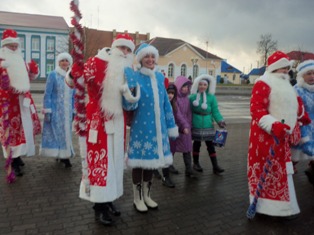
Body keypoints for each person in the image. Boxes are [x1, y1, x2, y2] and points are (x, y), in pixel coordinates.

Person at [66, 33, 139, 225]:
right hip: (97, 122)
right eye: (122, 48)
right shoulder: (95, 61)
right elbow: (72, 81)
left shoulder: (130, 68)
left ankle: (109, 199)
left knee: (114, 162)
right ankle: (98, 207)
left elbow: (132, 95)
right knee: (100, 163)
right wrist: (74, 71)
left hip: (118, 122)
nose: (125, 52)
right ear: (115, 47)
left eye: (128, 50)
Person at [247, 51, 311, 218]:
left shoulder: (288, 85)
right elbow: (256, 109)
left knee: (282, 172)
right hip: (266, 137)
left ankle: (281, 207)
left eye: (287, 68)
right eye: (282, 68)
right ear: (274, 68)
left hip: (282, 138)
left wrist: (302, 116)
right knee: (268, 172)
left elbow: (296, 104)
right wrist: (274, 125)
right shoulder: (263, 83)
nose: (285, 72)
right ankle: (265, 207)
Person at [124, 43, 178, 213]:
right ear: (141, 59)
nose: (150, 60)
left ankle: (147, 196)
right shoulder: (135, 76)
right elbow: (129, 106)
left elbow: (166, 104)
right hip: (141, 128)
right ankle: (137, 198)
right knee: (139, 163)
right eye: (146, 56)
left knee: (151, 164)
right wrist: (130, 90)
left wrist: (171, 126)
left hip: (158, 129)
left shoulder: (160, 78)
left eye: (152, 56)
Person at [0, 29, 41, 179]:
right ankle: (13, 161)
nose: (13, 47)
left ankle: (18, 156)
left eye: (15, 45)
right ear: (4, 46)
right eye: (10, 45)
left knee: (22, 130)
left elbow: (27, 80)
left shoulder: (20, 61)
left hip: (22, 102)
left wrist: (33, 71)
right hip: (8, 104)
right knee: (11, 132)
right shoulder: (1, 61)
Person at [40, 52, 75, 168]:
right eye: (62, 60)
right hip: (56, 111)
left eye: (66, 60)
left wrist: (74, 110)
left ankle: (63, 154)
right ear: (58, 62)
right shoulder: (53, 75)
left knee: (67, 133)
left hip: (68, 111)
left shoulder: (72, 76)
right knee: (58, 133)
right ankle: (64, 157)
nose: (65, 63)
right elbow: (47, 93)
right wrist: (48, 110)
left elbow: (74, 95)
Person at [189, 74, 226, 175]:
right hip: (195, 124)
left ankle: (215, 166)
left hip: (208, 124)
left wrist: (220, 121)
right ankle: (195, 163)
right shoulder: (191, 97)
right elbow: (187, 111)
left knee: (210, 145)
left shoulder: (211, 98)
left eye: (204, 85)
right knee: (196, 144)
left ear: (208, 86)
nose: (202, 86)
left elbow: (215, 111)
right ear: (197, 85)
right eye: (200, 84)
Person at [291, 60, 314, 185]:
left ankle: (312, 170)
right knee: (296, 153)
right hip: (302, 126)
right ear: (302, 76)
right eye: (308, 73)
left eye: (313, 73)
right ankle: (288, 168)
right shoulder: (297, 90)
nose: (312, 76)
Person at [173, 76, 196, 178]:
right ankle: (168, 166)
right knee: (172, 148)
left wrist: (190, 125)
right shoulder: (175, 99)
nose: (186, 89)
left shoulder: (186, 99)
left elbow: (189, 113)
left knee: (187, 149)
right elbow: (177, 114)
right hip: (178, 128)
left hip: (186, 128)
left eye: (187, 87)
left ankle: (189, 170)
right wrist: (184, 125)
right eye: (183, 86)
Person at [161, 83, 179, 188]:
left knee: (166, 155)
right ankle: (159, 173)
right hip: (162, 133)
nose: (170, 95)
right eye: (168, 93)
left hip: (168, 133)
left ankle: (166, 177)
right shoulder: (163, 103)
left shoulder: (173, 104)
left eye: (172, 93)